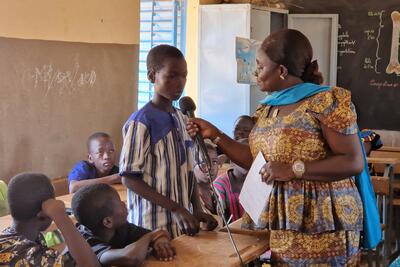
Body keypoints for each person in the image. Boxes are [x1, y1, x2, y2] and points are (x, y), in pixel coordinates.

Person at [187, 29, 368, 265]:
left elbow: (352, 161)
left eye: (261, 66)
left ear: (281, 71)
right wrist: (217, 135)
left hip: (324, 222)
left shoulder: (325, 101)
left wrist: (294, 169)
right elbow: (258, 161)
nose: (255, 72)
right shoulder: (268, 109)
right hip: (285, 223)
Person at [119, 44, 217, 239]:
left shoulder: (182, 118)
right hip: (152, 227)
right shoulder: (141, 123)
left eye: (184, 76)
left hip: (181, 225)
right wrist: (176, 208)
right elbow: (129, 177)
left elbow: (187, 170)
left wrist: (195, 208)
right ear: (151, 76)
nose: (179, 83)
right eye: (171, 76)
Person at [0, 173, 99, 267]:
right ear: (44, 213)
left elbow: (50, 237)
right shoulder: (36, 258)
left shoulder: (5, 237)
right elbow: (90, 265)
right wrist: (61, 216)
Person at [70, 184, 175, 266]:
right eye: (120, 203)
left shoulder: (121, 228)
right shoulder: (85, 244)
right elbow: (131, 258)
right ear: (108, 222)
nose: (125, 204)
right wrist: (151, 236)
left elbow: (156, 235)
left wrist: (160, 241)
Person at [213, 138, 248, 222]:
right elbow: (221, 222)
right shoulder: (219, 185)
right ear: (232, 160)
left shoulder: (259, 181)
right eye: (241, 156)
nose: (246, 161)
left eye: (251, 157)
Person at [193, 139, 219, 214]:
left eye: (214, 162)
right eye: (204, 162)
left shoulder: (218, 195)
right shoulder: (187, 199)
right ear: (191, 165)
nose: (210, 167)